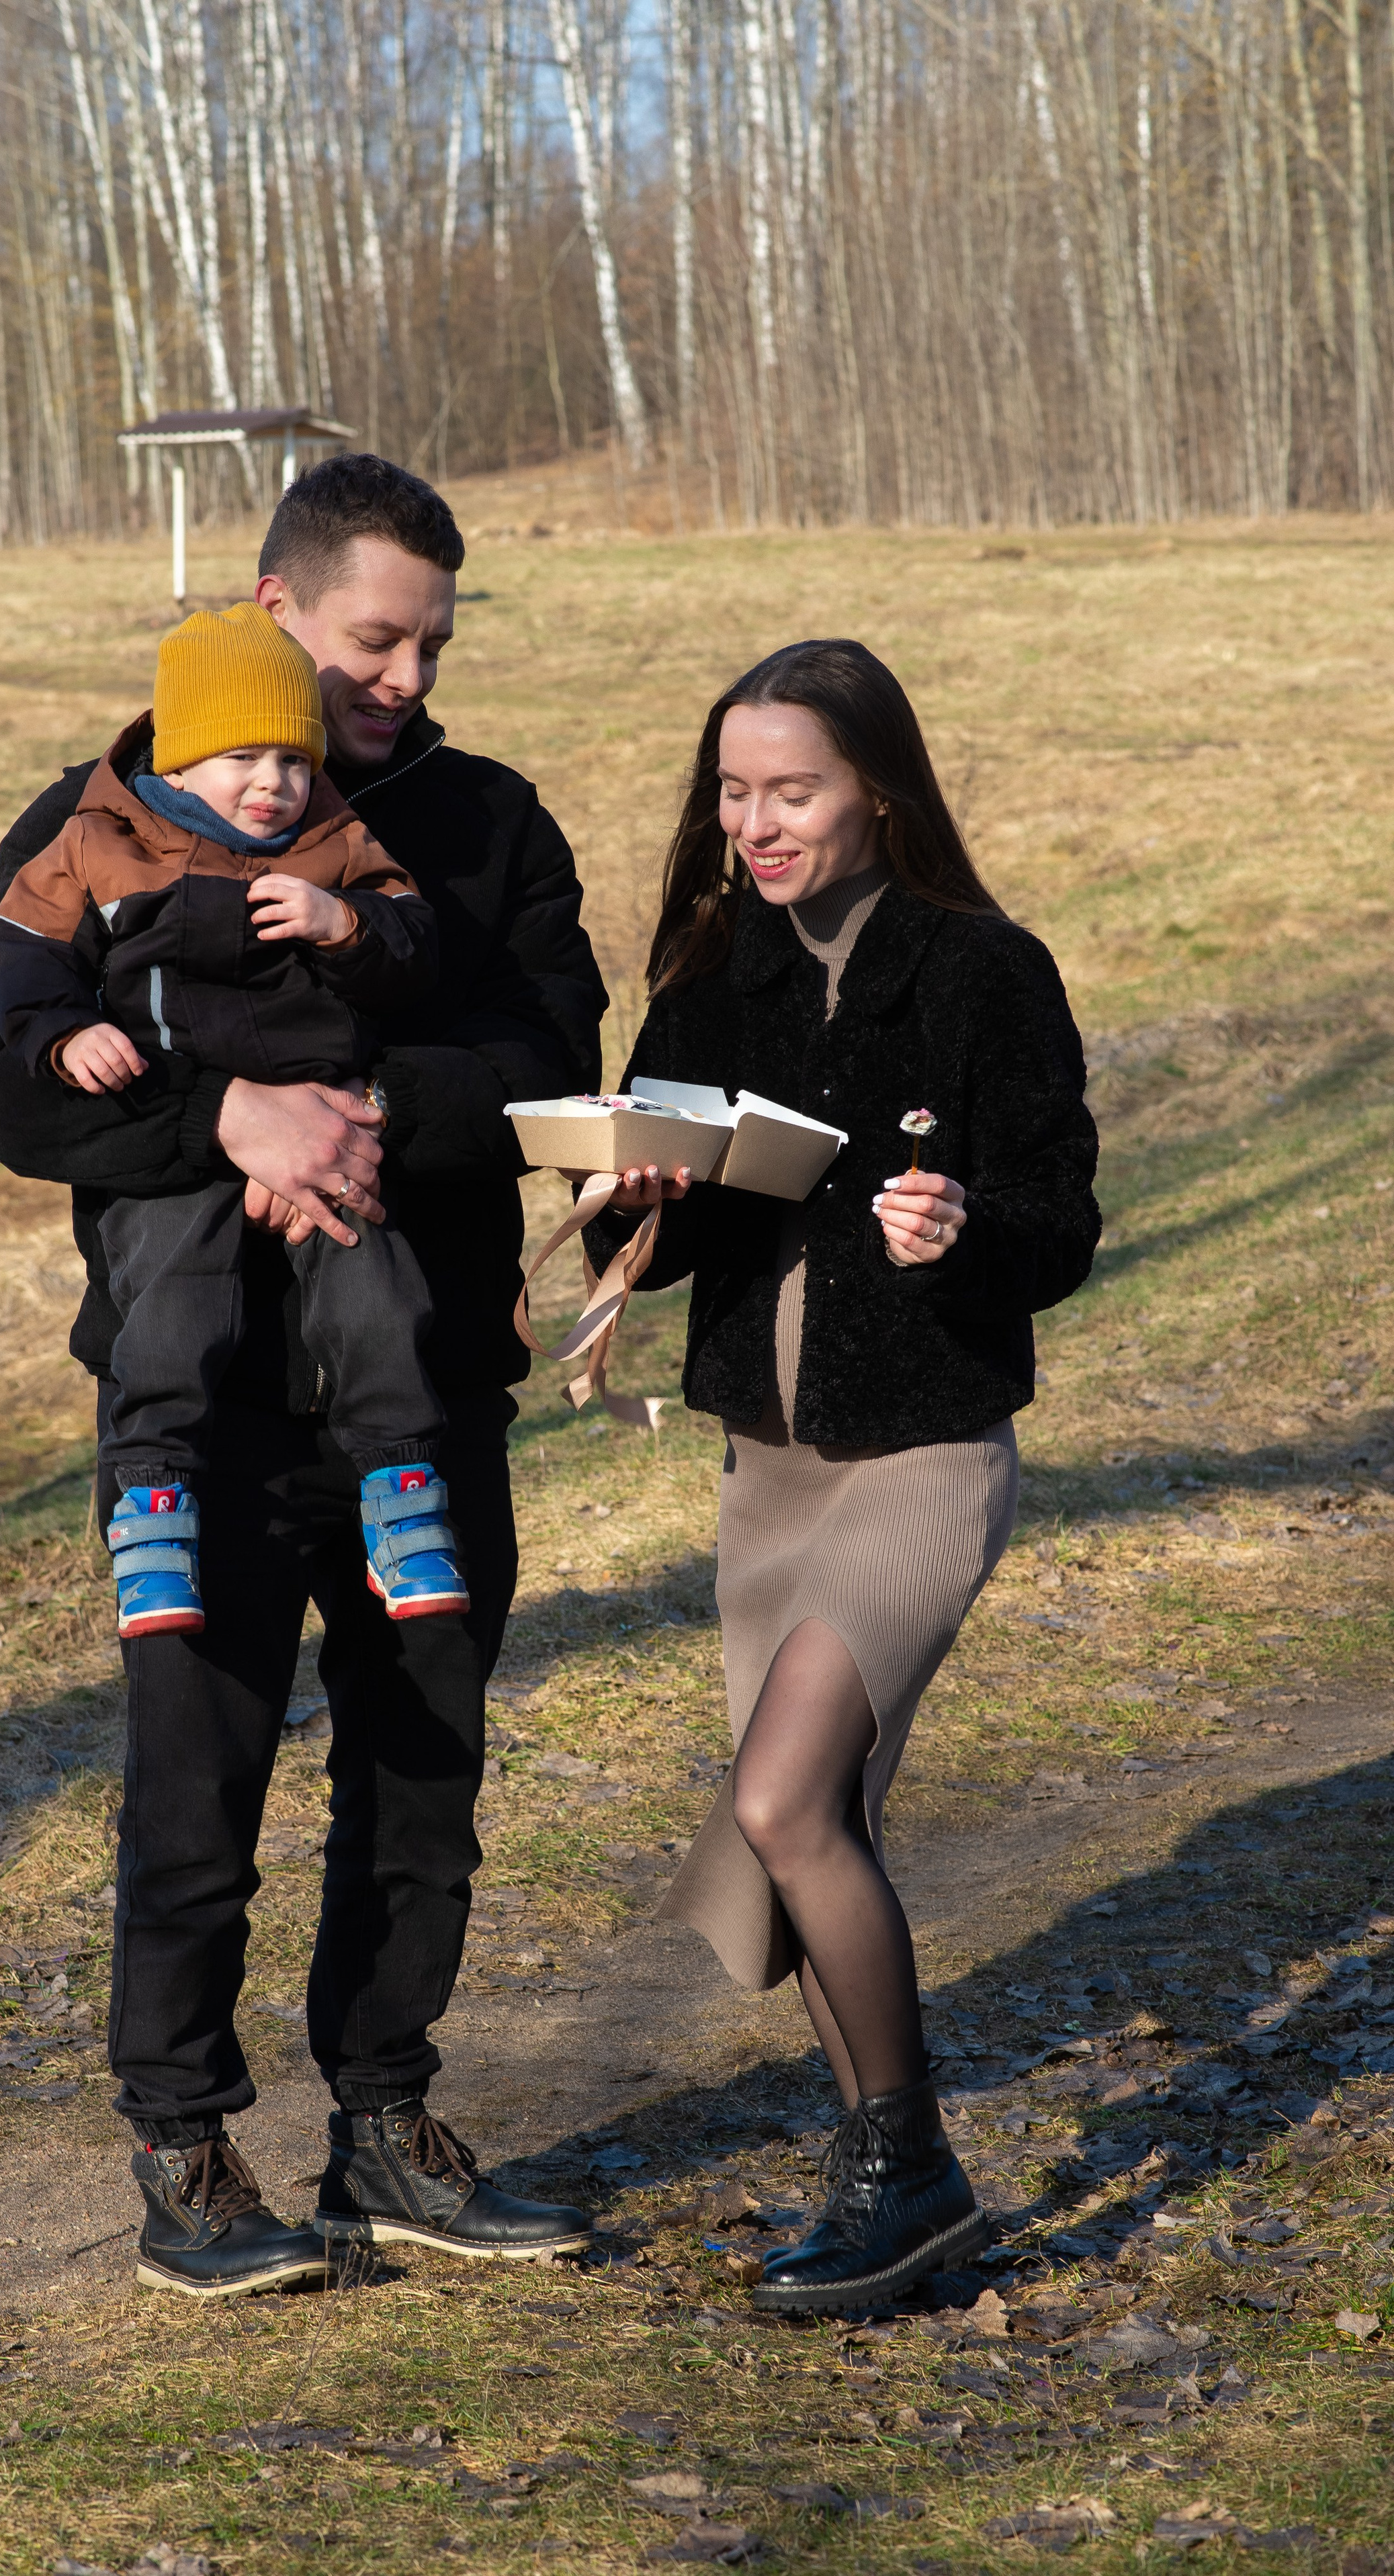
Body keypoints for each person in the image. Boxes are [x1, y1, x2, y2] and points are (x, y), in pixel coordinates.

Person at [0, 455, 606, 2296]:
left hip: (418, 1386)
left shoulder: (479, 826)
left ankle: (387, 2125)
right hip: (202, 1408)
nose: (401, 675)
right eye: (374, 637)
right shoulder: (114, 813)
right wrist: (222, 1111)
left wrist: (373, 1104)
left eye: (431, 642)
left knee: (424, 1779)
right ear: (272, 613)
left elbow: (557, 1049)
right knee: (194, 1790)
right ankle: (185, 2148)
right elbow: (3, 1080)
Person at [585, 639, 1100, 2315]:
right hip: (769, 1465)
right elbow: (650, 1247)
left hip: (924, 1453)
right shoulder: (713, 971)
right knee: (819, 1830)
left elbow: (1060, 1228)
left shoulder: (982, 971)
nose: (755, 822)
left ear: (876, 785)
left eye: (790, 789)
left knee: (778, 1802)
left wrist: (958, 1230)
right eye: (732, 791)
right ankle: (893, 2186)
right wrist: (630, 1194)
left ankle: (909, 2165)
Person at [0, 598, 468, 1633]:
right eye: (244, 756)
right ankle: (151, 1511)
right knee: (167, 1304)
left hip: (329, 1148)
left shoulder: (333, 840)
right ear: (182, 755)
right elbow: (17, 951)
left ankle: (404, 1493)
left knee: (380, 1297)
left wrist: (350, 925)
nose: (275, 783)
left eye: (294, 760)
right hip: (172, 1148)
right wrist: (63, 1036)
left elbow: (417, 947)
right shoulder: (100, 842)